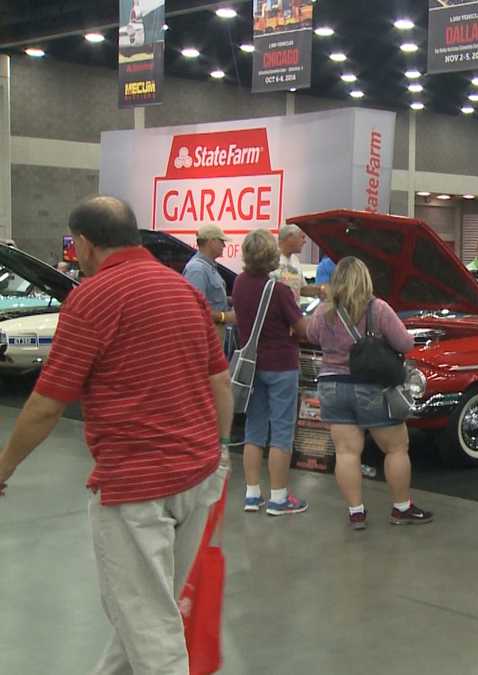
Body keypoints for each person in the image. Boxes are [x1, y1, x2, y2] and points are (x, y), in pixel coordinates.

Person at [0, 196, 232, 674]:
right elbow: (219, 382)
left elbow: (47, 405)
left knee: (151, 631)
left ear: (84, 244)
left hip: (135, 490)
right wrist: (219, 453)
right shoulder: (182, 291)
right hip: (197, 477)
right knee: (147, 611)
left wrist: (4, 466)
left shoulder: (93, 297)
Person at [305, 257, 431, 529]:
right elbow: (405, 343)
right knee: (396, 448)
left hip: (332, 386)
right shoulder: (379, 309)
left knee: (346, 452)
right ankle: (401, 509)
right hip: (371, 387)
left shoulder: (323, 312)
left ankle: (356, 513)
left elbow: (312, 336)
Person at [234, 229, 308, 516]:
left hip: (251, 368)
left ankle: (252, 494)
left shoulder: (239, 284)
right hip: (281, 366)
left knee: (254, 430)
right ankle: (278, 498)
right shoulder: (278, 290)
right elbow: (301, 328)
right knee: (281, 432)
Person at [183, 224, 236, 329]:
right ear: (211, 242)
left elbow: (211, 298)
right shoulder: (197, 269)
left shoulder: (207, 267)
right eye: (221, 241)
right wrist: (224, 317)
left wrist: (231, 300)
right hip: (208, 333)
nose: (224, 246)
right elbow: (195, 310)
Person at [274, 223, 322, 298]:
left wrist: (321, 290)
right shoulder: (271, 259)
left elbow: (301, 289)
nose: (304, 241)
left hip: (292, 309)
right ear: (290, 237)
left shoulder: (295, 260)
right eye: (302, 237)